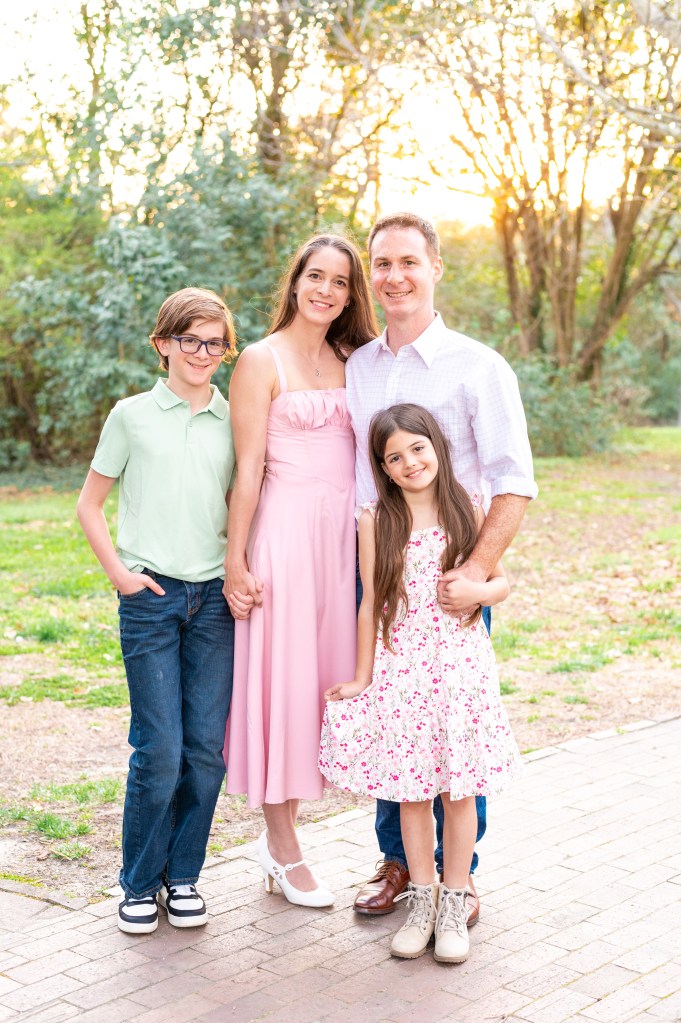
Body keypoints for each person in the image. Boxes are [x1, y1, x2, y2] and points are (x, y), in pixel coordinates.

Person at [345, 212, 537, 923]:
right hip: (382, 570)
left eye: (408, 262)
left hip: (454, 576)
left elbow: (514, 479)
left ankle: (462, 876)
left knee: (456, 727)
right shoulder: (359, 366)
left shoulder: (479, 366)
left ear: (435, 269)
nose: (394, 276)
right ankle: (400, 863)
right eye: (382, 263)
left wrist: (476, 573)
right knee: (395, 720)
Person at [319, 403, 522, 962]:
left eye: (417, 448)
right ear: (383, 469)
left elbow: (501, 583)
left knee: (459, 793)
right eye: (394, 457)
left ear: (436, 446)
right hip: (402, 671)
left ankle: (455, 906)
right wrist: (362, 677)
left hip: (460, 673)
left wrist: (477, 593)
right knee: (411, 793)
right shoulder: (374, 520)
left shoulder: (467, 507)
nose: (410, 463)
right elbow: (370, 603)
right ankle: (423, 902)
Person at [223, 234, 378, 908]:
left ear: (350, 295)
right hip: (284, 538)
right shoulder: (260, 359)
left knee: (323, 687)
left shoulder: (356, 359)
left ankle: (289, 838)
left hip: (344, 542)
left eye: (340, 282)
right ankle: (281, 845)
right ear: (295, 282)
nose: (326, 290)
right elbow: (248, 468)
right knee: (281, 686)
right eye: (316, 276)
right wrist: (236, 561)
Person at [76, 287, 237, 934]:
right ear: (163, 343)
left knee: (205, 751)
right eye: (190, 340)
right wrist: (120, 575)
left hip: (215, 601)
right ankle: (140, 882)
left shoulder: (234, 419)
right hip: (151, 599)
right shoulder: (131, 415)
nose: (202, 352)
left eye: (215, 343)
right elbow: (89, 504)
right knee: (161, 749)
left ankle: (184, 875)